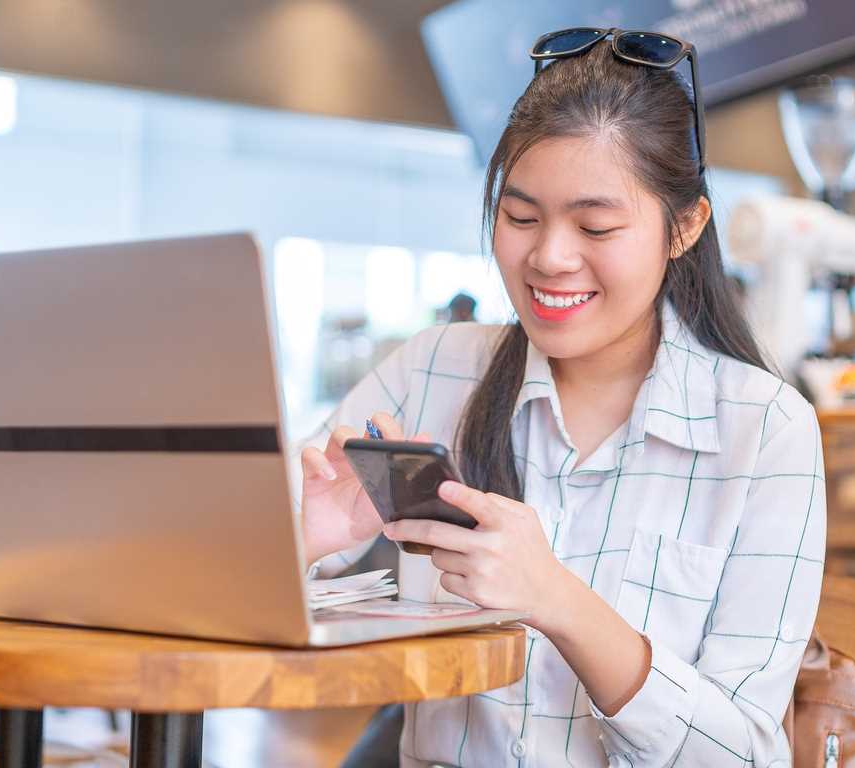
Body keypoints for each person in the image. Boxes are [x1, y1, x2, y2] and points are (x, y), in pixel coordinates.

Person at [299, 28, 825, 767]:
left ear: (684, 227)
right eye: (520, 217)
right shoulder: (434, 368)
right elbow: (218, 589)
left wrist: (557, 599)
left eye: (595, 225)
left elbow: (742, 755)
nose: (548, 256)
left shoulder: (765, 430)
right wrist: (303, 535)